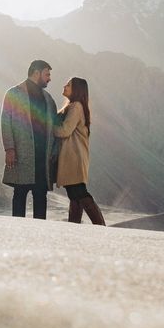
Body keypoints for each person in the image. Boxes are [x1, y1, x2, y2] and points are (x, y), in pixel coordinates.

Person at [1, 60, 58, 219]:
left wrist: (54, 151)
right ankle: (17, 232)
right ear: (36, 72)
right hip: (21, 153)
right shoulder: (14, 93)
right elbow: (6, 121)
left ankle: (40, 235)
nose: (49, 78)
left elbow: (54, 127)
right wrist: (9, 148)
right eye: (47, 74)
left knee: (41, 195)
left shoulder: (48, 99)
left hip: (42, 157)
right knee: (20, 192)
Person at [54, 76, 105, 225]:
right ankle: (74, 227)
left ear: (76, 90)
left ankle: (100, 226)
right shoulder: (74, 106)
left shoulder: (76, 106)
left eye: (68, 85)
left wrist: (47, 127)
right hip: (75, 157)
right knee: (74, 194)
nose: (64, 86)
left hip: (73, 158)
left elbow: (64, 131)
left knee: (79, 192)